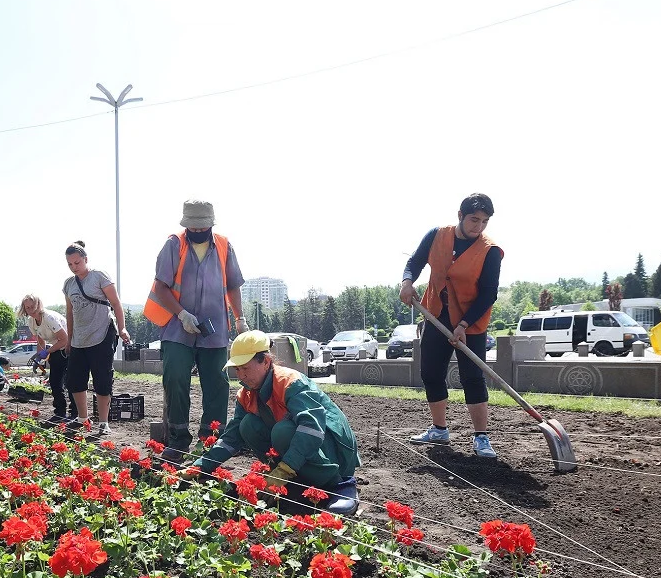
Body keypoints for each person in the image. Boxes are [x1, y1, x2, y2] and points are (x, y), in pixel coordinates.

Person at [194, 331, 360, 515]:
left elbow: (312, 428)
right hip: (300, 452)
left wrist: (285, 469)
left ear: (265, 361)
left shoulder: (290, 383)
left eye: (245, 368)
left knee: (282, 432)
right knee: (247, 426)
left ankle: (340, 485)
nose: (240, 376)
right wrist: (200, 467)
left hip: (334, 449)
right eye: (237, 369)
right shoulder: (247, 393)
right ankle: (295, 482)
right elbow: (232, 438)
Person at [399, 193, 503, 458]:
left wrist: (464, 325)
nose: (478, 226)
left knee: (472, 376)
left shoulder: (490, 251)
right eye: (473, 219)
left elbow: (489, 293)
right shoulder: (437, 235)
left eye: (484, 221)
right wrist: (407, 281)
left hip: (472, 321)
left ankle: (481, 437)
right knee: (431, 372)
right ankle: (439, 429)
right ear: (460, 215)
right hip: (436, 314)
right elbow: (414, 263)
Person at [144, 200, 247, 463]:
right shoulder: (174, 245)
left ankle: (210, 440)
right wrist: (181, 313)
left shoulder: (223, 245)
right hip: (178, 327)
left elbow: (233, 284)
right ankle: (178, 439)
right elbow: (161, 287)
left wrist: (239, 318)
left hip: (214, 330)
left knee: (217, 384)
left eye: (203, 226)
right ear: (185, 224)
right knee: (175, 377)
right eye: (193, 225)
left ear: (211, 224)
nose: (198, 229)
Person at [63, 241, 130, 437]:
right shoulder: (68, 284)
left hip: (101, 334)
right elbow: (69, 312)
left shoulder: (99, 277)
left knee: (102, 379)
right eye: (70, 264)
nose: (74, 267)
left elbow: (116, 304)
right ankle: (83, 418)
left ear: (85, 259)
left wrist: (123, 328)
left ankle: (103, 422)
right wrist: (69, 339)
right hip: (78, 338)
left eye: (77, 262)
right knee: (75, 380)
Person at [18, 294, 77, 425]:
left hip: (71, 346)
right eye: (27, 308)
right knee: (55, 381)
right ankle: (60, 412)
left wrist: (48, 351)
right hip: (57, 347)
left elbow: (65, 339)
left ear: (38, 305)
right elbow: (40, 338)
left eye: (32, 306)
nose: (30, 310)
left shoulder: (49, 318)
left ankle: (75, 413)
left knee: (71, 381)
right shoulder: (31, 321)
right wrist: (39, 358)